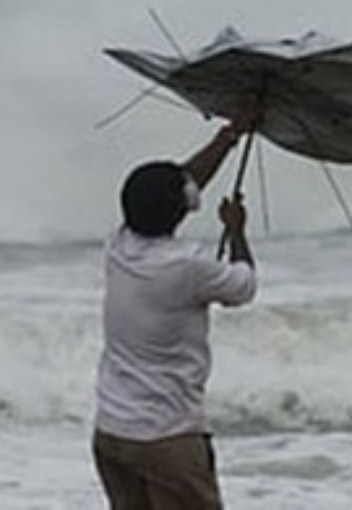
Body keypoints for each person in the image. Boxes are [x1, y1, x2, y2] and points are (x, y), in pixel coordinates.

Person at [93, 118, 258, 509]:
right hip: (167, 440)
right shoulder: (189, 267)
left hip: (113, 433)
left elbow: (185, 184)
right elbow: (245, 285)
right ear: (182, 207)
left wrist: (227, 137)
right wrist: (236, 230)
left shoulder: (118, 245)